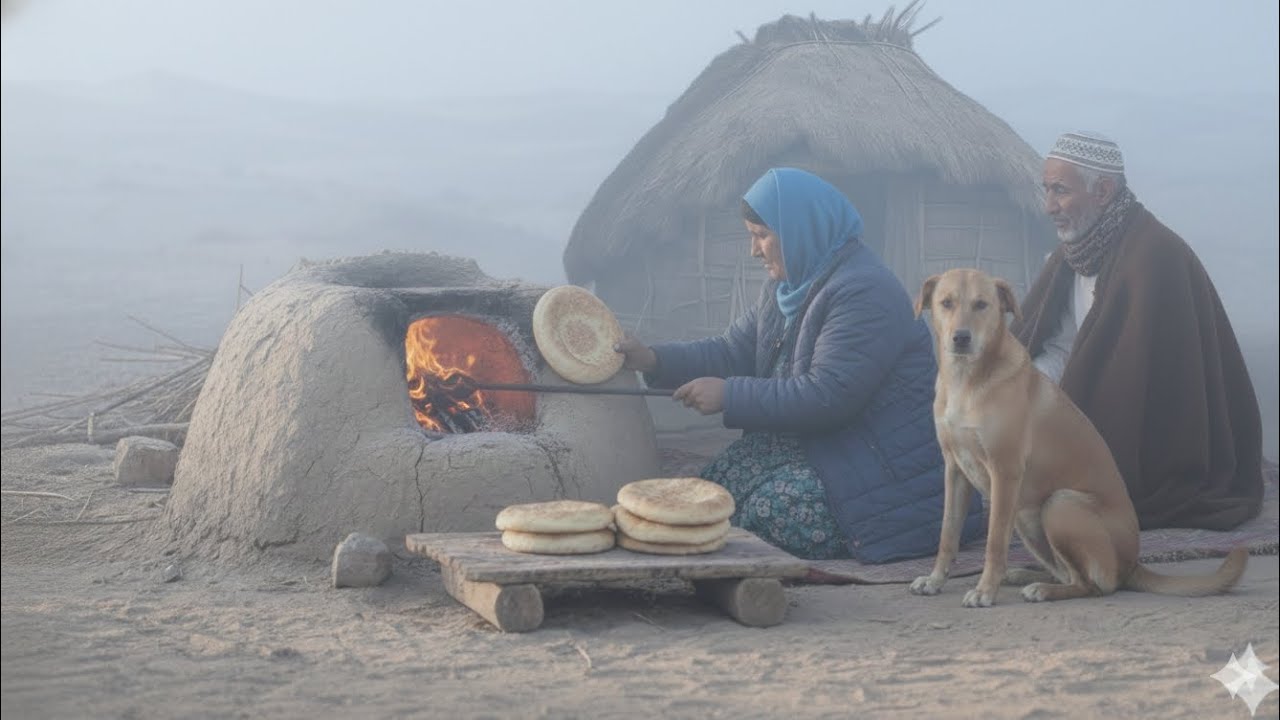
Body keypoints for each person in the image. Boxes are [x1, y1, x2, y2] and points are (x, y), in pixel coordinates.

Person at [614, 167, 984, 562]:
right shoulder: (788, 286)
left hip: (882, 469)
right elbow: (732, 350)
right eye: (751, 236)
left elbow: (828, 395)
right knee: (714, 493)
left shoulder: (865, 293)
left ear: (800, 229)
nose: (754, 251)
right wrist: (653, 359)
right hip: (824, 448)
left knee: (764, 512)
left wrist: (728, 394)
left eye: (761, 236)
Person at [1012, 131, 1264, 531]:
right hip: (1084, 414)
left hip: (1154, 435)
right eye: (1046, 191)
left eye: (1060, 191)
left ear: (1104, 190)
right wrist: (1020, 396)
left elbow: (1140, 381)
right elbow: (1059, 345)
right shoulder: (1070, 256)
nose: (1049, 206)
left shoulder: (1154, 255)